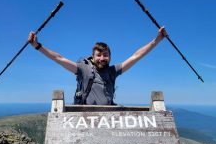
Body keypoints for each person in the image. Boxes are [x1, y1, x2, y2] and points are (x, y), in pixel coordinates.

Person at [28, 27, 167, 105]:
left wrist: (157, 40)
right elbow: (59, 58)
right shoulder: (83, 69)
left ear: (110, 57)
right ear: (93, 57)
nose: (102, 58)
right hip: (85, 117)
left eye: (105, 55)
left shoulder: (114, 71)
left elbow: (136, 56)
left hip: (108, 117)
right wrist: (37, 46)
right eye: (99, 55)